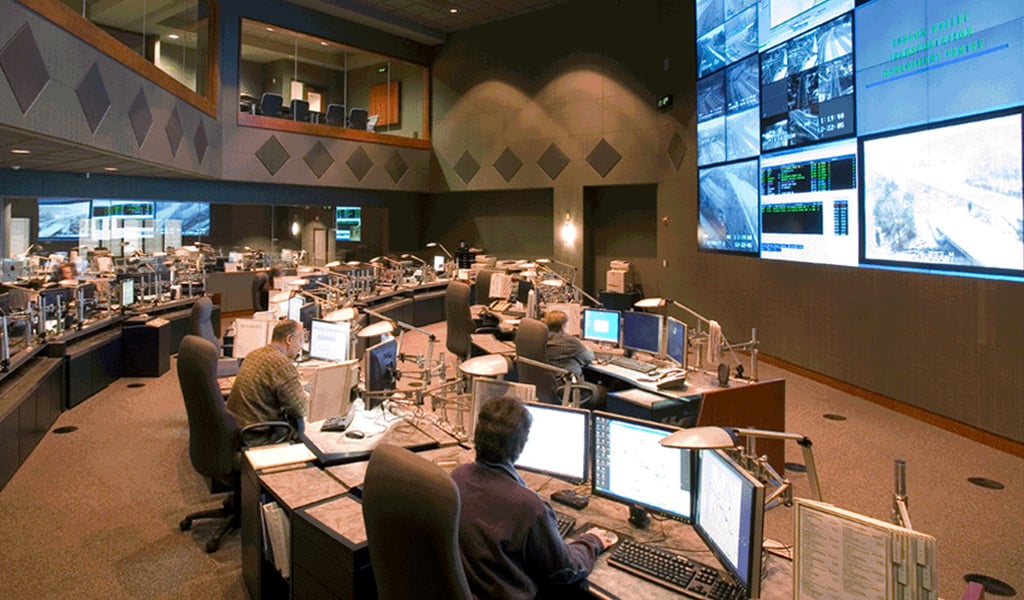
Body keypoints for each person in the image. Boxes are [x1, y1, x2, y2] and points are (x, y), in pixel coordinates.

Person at [452, 396, 618, 599]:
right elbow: (566, 570)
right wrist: (593, 541)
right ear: (521, 445)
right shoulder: (529, 506)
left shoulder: (457, 477)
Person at [226, 319, 307, 445]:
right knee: (303, 431)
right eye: (301, 340)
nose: (301, 347)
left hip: (236, 427)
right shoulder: (281, 365)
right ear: (289, 339)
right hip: (257, 436)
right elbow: (300, 409)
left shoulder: (255, 353)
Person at [543, 309, 593, 379]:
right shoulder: (570, 341)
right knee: (602, 388)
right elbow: (589, 358)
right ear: (563, 326)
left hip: (550, 381)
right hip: (569, 382)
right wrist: (587, 348)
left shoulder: (542, 337)